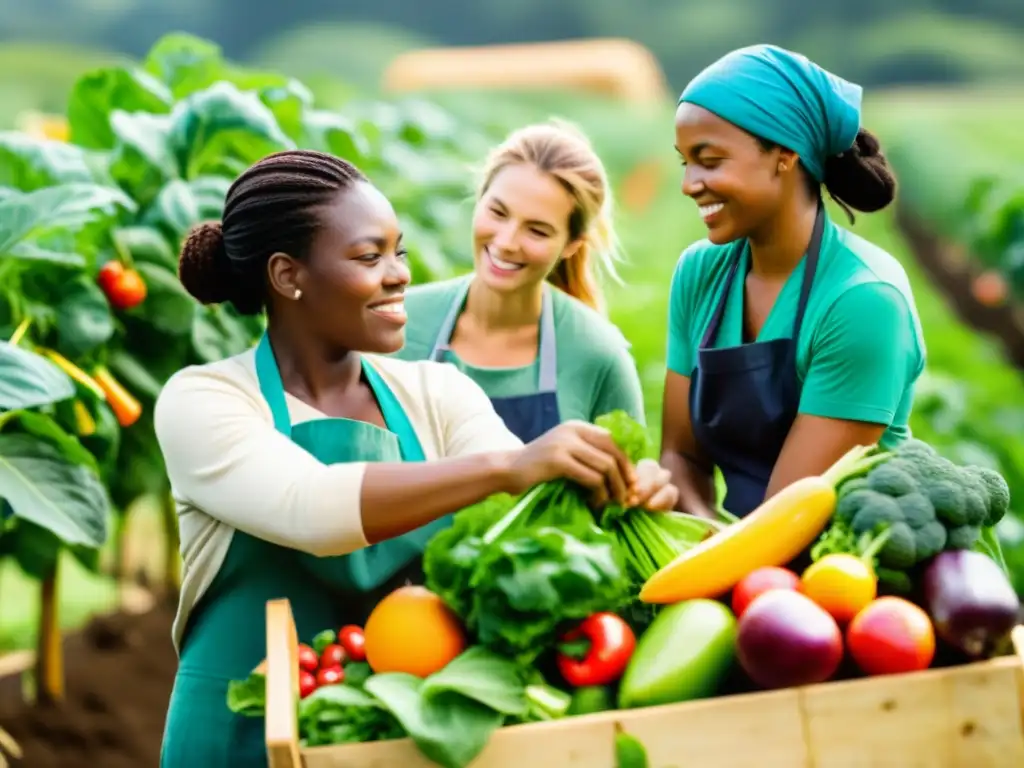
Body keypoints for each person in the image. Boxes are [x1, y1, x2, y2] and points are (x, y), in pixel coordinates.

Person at [153, 149, 678, 767]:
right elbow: (311, 510)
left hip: (393, 734)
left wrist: (611, 488)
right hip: (235, 733)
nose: (400, 274)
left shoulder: (438, 392)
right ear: (288, 275)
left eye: (398, 251)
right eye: (369, 257)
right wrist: (512, 467)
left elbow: (524, 510)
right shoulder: (205, 399)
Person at [660, 45, 926, 520]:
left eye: (710, 160)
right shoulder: (700, 273)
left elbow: (789, 515)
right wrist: (701, 538)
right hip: (731, 558)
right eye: (686, 162)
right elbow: (680, 457)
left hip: (847, 571)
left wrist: (708, 561)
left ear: (784, 155)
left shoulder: (863, 299)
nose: (689, 183)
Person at [392, 121, 646, 443]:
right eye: (498, 212)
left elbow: (628, 487)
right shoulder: (398, 322)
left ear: (571, 245)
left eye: (537, 230)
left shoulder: (598, 355)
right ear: (479, 200)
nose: (507, 241)